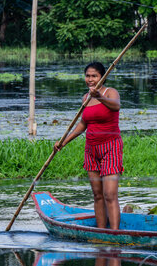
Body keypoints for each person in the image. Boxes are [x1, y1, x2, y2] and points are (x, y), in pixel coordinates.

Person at [53, 62, 123, 230]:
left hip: (110, 148)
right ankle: (100, 232)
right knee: (98, 195)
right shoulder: (86, 98)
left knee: (110, 195)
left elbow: (116, 106)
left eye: (94, 76)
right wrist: (63, 141)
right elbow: (83, 123)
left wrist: (99, 96)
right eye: (88, 76)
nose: (90, 79)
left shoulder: (110, 93)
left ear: (102, 77)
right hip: (91, 150)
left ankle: (114, 234)